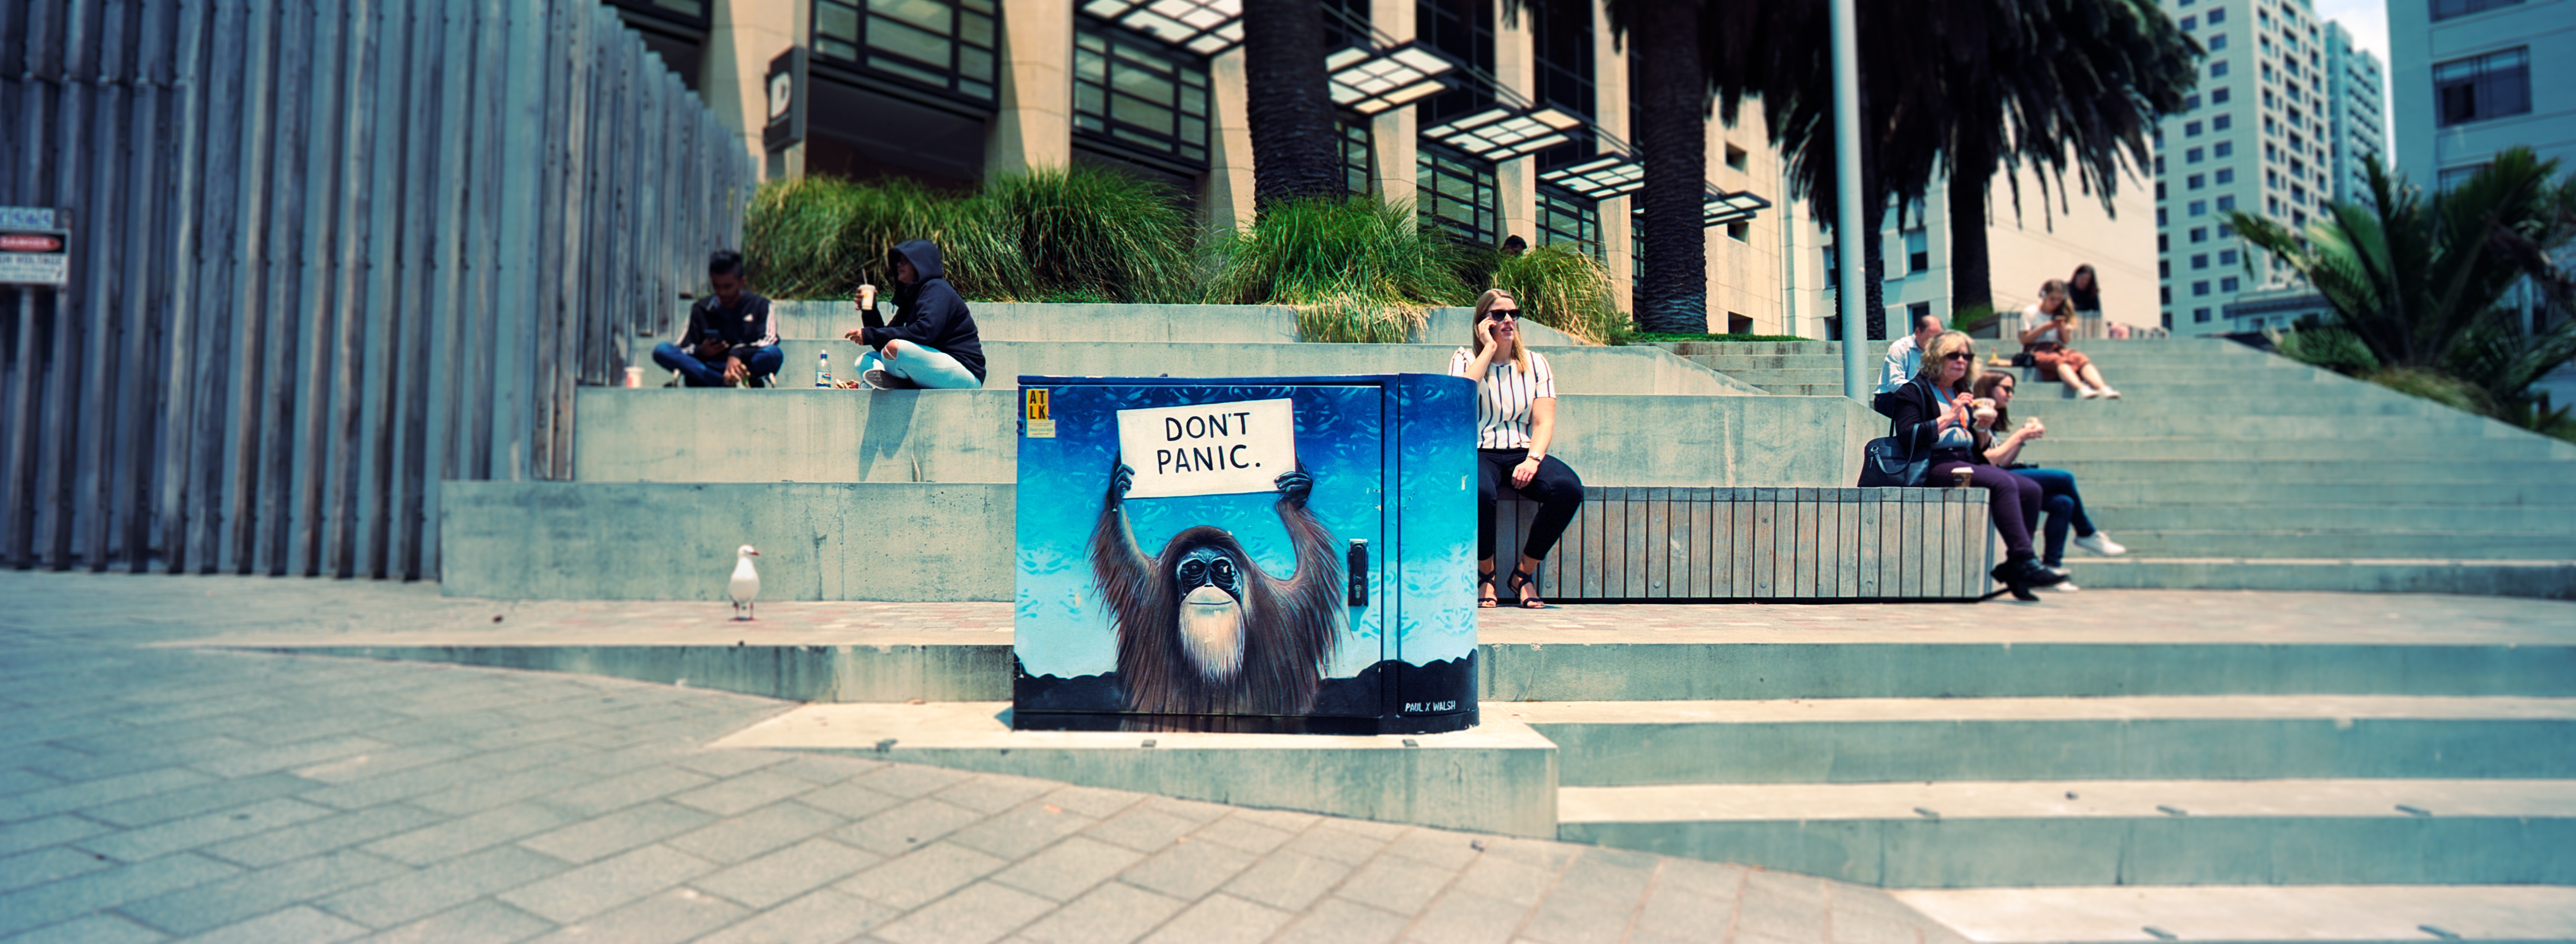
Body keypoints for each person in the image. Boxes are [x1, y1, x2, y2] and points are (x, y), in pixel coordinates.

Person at [1880, 331, 2063, 595]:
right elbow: (1908, 437)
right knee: (2004, 483)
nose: (1962, 361)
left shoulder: (1962, 390)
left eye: (1967, 356)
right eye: (1954, 355)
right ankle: (2025, 559)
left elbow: (1976, 445)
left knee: (2032, 490)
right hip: (1935, 464)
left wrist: (1981, 428)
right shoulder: (1914, 390)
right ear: (1936, 357)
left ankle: (2016, 568)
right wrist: (1951, 414)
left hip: (1965, 459)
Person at [1450, 289, 1583, 609]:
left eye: (1514, 313)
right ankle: (1487, 575)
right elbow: (1457, 402)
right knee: (1480, 493)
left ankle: (1523, 575)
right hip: (1478, 450)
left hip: (1523, 451)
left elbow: (1544, 422)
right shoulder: (1465, 359)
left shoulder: (1536, 364)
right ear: (1484, 322)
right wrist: (1489, 350)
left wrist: (1533, 460)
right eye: (1498, 315)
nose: (1509, 320)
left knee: (1567, 489)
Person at [1972, 371, 2128, 592]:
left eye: (2013, 390)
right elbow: (1988, 462)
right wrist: (2020, 436)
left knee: (2064, 503)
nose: (2010, 394)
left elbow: (2004, 461)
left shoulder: (1996, 417)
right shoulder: (1980, 415)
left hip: (2003, 473)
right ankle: (2086, 533)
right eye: (2005, 389)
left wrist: (2022, 440)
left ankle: (2052, 566)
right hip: (1987, 477)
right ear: (1988, 390)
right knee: (2064, 478)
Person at [844, 240, 986, 390]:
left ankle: (900, 385)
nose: (899, 265)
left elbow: (925, 332)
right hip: (928, 368)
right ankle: (902, 384)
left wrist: (870, 334)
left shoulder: (937, 289)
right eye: (899, 262)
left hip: (964, 372)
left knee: (895, 349)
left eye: (906, 262)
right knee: (864, 361)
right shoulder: (912, 299)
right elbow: (881, 344)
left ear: (921, 265)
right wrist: (870, 309)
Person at [653, 250, 780, 387]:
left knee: (774, 354)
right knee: (662, 351)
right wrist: (702, 351)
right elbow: (682, 348)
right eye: (716, 286)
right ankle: (724, 382)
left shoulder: (761, 305)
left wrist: (737, 354)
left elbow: (770, 340)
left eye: (728, 287)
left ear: (742, 282)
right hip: (708, 367)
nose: (722, 292)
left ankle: (731, 378)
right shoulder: (701, 308)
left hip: (745, 366)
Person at [2019, 279, 2121, 399]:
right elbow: (2024, 339)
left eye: (2059, 299)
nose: (2056, 303)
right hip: (2037, 349)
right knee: (2059, 361)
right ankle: (2081, 388)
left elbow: (2066, 341)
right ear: (2044, 296)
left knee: (2080, 358)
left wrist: (2062, 329)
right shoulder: (2030, 312)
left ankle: (2102, 388)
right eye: (2053, 299)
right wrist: (2044, 328)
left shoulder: (2061, 312)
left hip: (2056, 347)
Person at [1876, 310, 1946, 395]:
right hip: (1890, 395)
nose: (1934, 344)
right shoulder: (1899, 348)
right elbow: (1895, 384)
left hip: (1920, 393)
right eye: (1930, 339)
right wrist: (1924, 390)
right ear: (1917, 332)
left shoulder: (1939, 350)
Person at [2068, 264, 2104, 340]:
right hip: (2070, 324)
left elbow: (2098, 312)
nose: (2084, 282)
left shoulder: (2092, 293)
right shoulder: (2067, 289)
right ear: (2076, 277)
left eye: (2087, 280)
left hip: (2086, 327)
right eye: (2082, 278)